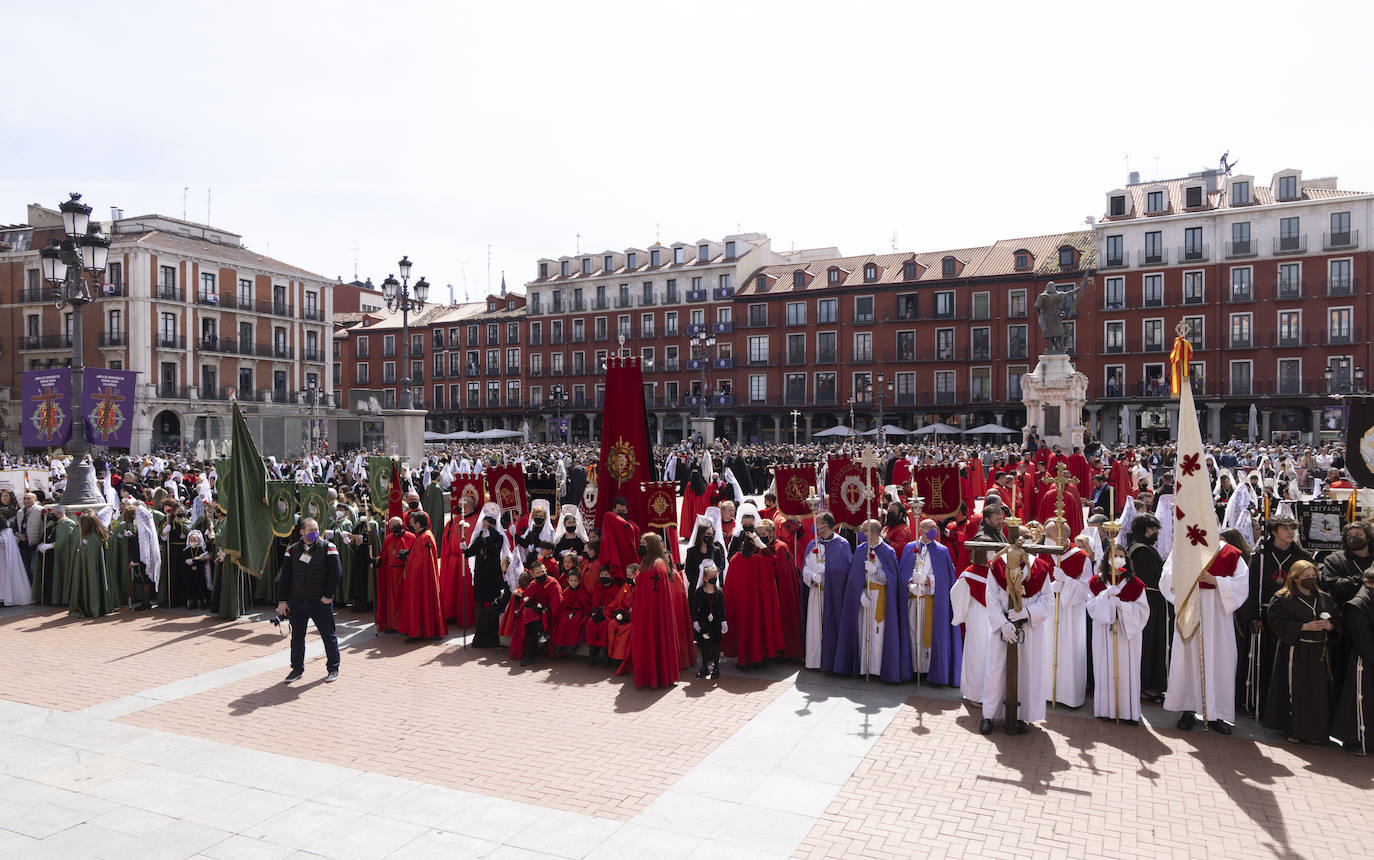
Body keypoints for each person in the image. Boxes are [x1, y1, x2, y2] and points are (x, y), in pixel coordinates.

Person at [1161, 533, 1249, 734]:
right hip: (1191, 608)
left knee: (1220, 661)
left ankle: (1216, 713)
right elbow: (1166, 576)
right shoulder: (1184, 548)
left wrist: (1216, 580)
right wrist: (1185, 576)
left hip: (1218, 613)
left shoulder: (1230, 553)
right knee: (1188, 660)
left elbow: (1242, 584)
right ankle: (1187, 709)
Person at [980, 528, 1054, 735]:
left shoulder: (1040, 568)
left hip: (1029, 628)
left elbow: (1048, 600)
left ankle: (1022, 716)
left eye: (1027, 539)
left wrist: (1027, 613)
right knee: (996, 670)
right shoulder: (998, 565)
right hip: (1003, 628)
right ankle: (989, 715)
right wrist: (1002, 623)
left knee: (1026, 671)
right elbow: (992, 598)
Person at [1262, 560, 1340, 743]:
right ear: (1296, 578)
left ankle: (1316, 733)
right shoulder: (1283, 599)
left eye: (1313, 576)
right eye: (1306, 576)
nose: (1311, 579)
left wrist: (1330, 626)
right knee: (1296, 691)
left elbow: (1338, 620)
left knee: (1318, 693)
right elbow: (1276, 622)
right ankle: (1295, 730)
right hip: (1296, 651)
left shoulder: (1325, 598)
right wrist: (1304, 626)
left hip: (1319, 652)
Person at [1242, 514, 1311, 715]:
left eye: (1292, 529)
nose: (1290, 533)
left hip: (1290, 617)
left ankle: (1284, 707)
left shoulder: (1302, 557)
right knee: (1264, 660)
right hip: (1264, 615)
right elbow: (1252, 587)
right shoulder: (1260, 555)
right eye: (1285, 528)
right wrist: (1253, 616)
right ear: (1274, 531)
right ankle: (1261, 704)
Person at [1086, 544, 1149, 722]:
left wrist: (1122, 606)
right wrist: (1104, 597)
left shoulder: (1135, 584)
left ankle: (1127, 712)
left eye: (1122, 555)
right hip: (1104, 632)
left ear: (1127, 560)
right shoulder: (1096, 582)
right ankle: (1105, 710)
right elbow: (1090, 606)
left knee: (1126, 669)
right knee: (1104, 667)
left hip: (1126, 634)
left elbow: (1143, 611)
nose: (1118, 558)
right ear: (1106, 558)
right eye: (1115, 555)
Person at [276, 517, 342, 683]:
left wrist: (327, 596)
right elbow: (285, 577)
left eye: (316, 529)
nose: (315, 533)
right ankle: (296, 669)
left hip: (319, 602)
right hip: (297, 601)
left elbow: (336, 574)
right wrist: (282, 601)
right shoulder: (292, 550)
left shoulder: (328, 547)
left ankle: (333, 668)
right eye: (311, 530)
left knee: (328, 635)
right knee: (297, 637)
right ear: (302, 532)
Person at [834, 519, 900, 679]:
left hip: (880, 596)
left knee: (878, 632)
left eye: (864, 531)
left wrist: (875, 571)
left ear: (873, 533)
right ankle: (864, 667)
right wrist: (860, 593)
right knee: (863, 631)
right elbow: (854, 577)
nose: (860, 533)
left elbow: (890, 578)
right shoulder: (860, 550)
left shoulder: (888, 551)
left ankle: (877, 668)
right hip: (864, 597)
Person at [1039, 520, 1093, 708]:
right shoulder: (1044, 553)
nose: (1046, 541)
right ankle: (1045, 692)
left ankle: (1069, 696)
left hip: (1070, 612)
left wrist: (1066, 583)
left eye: (1049, 537)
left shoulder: (1081, 557)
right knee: (1047, 649)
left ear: (1062, 538)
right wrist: (1050, 588)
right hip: (1048, 611)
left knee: (1069, 651)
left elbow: (1086, 589)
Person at [903, 518, 961, 686]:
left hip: (931, 601)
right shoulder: (910, 548)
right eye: (928, 528)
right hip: (914, 599)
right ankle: (915, 669)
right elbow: (903, 574)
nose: (932, 530)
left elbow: (946, 579)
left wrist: (928, 580)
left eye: (934, 527)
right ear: (920, 530)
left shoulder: (942, 551)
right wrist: (910, 584)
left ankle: (930, 670)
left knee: (929, 634)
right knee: (914, 633)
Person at [722, 525, 783, 668]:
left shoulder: (735, 559)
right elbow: (774, 560)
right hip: (758, 605)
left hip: (741, 606)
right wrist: (762, 546)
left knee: (743, 629)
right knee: (758, 628)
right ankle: (759, 658)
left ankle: (743, 659)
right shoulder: (760, 560)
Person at [1126, 513, 1167, 704]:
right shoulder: (1141, 550)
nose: (1157, 532)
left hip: (1152, 600)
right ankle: (1145, 686)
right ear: (1147, 529)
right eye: (1155, 528)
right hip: (1149, 602)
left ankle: (1149, 684)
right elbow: (1149, 579)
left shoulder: (1143, 547)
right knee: (1148, 643)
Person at [801, 513, 851, 670]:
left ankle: (831, 662)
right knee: (815, 628)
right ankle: (814, 661)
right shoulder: (812, 544)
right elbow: (805, 567)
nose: (815, 527)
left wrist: (827, 571)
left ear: (827, 525)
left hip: (833, 594)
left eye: (818, 523)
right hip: (816, 593)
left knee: (831, 626)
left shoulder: (842, 544)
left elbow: (845, 570)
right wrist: (813, 575)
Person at [1333, 567, 1374, 754]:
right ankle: (1357, 739)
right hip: (1364, 663)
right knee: (1360, 702)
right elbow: (1362, 639)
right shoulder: (1358, 605)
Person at [397, 510, 447, 642]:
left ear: (419, 524)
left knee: (419, 602)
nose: (411, 525)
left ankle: (418, 631)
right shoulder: (422, 536)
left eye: (413, 523)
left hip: (420, 579)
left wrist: (408, 557)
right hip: (417, 577)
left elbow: (422, 561)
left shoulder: (425, 537)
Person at [1318, 521, 1374, 605]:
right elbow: (1332, 585)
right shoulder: (1334, 559)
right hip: (1346, 609)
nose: (1353, 537)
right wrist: (1361, 578)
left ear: (1368, 538)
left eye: (1358, 534)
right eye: (1349, 535)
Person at [375, 516, 412, 634]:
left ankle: (405, 624)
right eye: (392, 526)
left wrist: (407, 557)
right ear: (390, 528)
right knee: (392, 602)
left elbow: (415, 555)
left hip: (405, 573)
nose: (395, 528)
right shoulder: (388, 539)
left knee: (405, 600)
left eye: (398, 524)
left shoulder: (411, 537)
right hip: (391, 574)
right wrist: (378, 560)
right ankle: (393, 625)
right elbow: (384, 554)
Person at [692, 560, 726, 679]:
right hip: (703, 622)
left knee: (715, 645)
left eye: (715, 577)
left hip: (715, 622)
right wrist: (695, 621)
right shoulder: (699, 592)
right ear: (705, 578)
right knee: (704, 645)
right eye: (711, 577)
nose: (714, 579)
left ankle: (716, 668)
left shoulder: (719, 592)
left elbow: (722, 608)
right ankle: (704, 666)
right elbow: (695, 608)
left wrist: (723, 621)